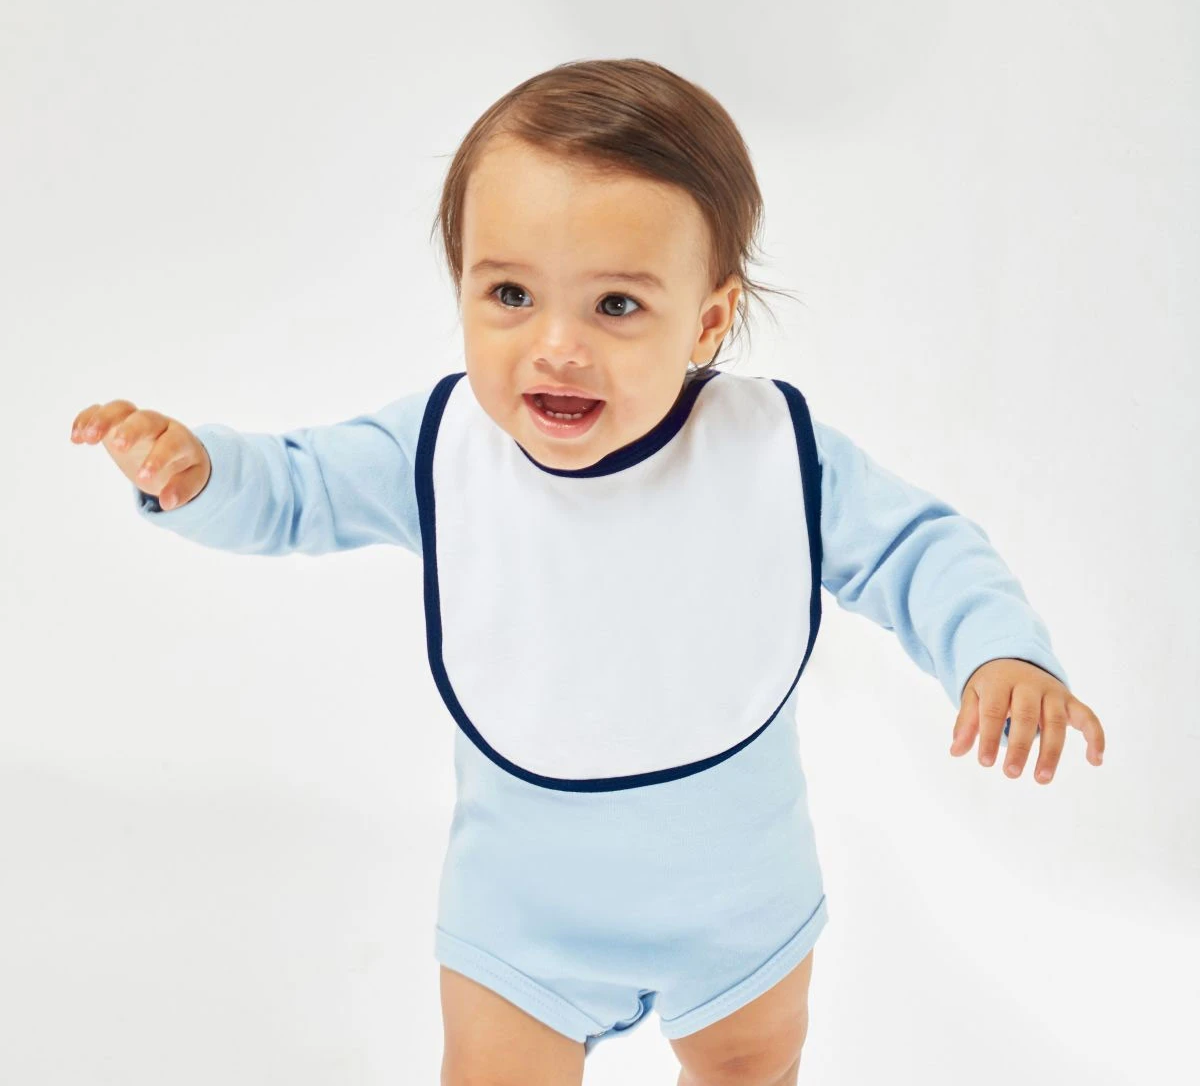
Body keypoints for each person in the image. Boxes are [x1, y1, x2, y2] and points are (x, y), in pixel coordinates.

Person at [70, 58, 1106, 1086]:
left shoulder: (771, 454)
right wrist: (201, 473)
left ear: (707, 322)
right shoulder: (441, 449)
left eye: (616, 305)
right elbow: (297, 489)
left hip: (741, 906)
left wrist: (997, 650)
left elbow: (913, 547)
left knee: (753, 1066)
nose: (557, 346)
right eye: (511, 294)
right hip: (522, 920)